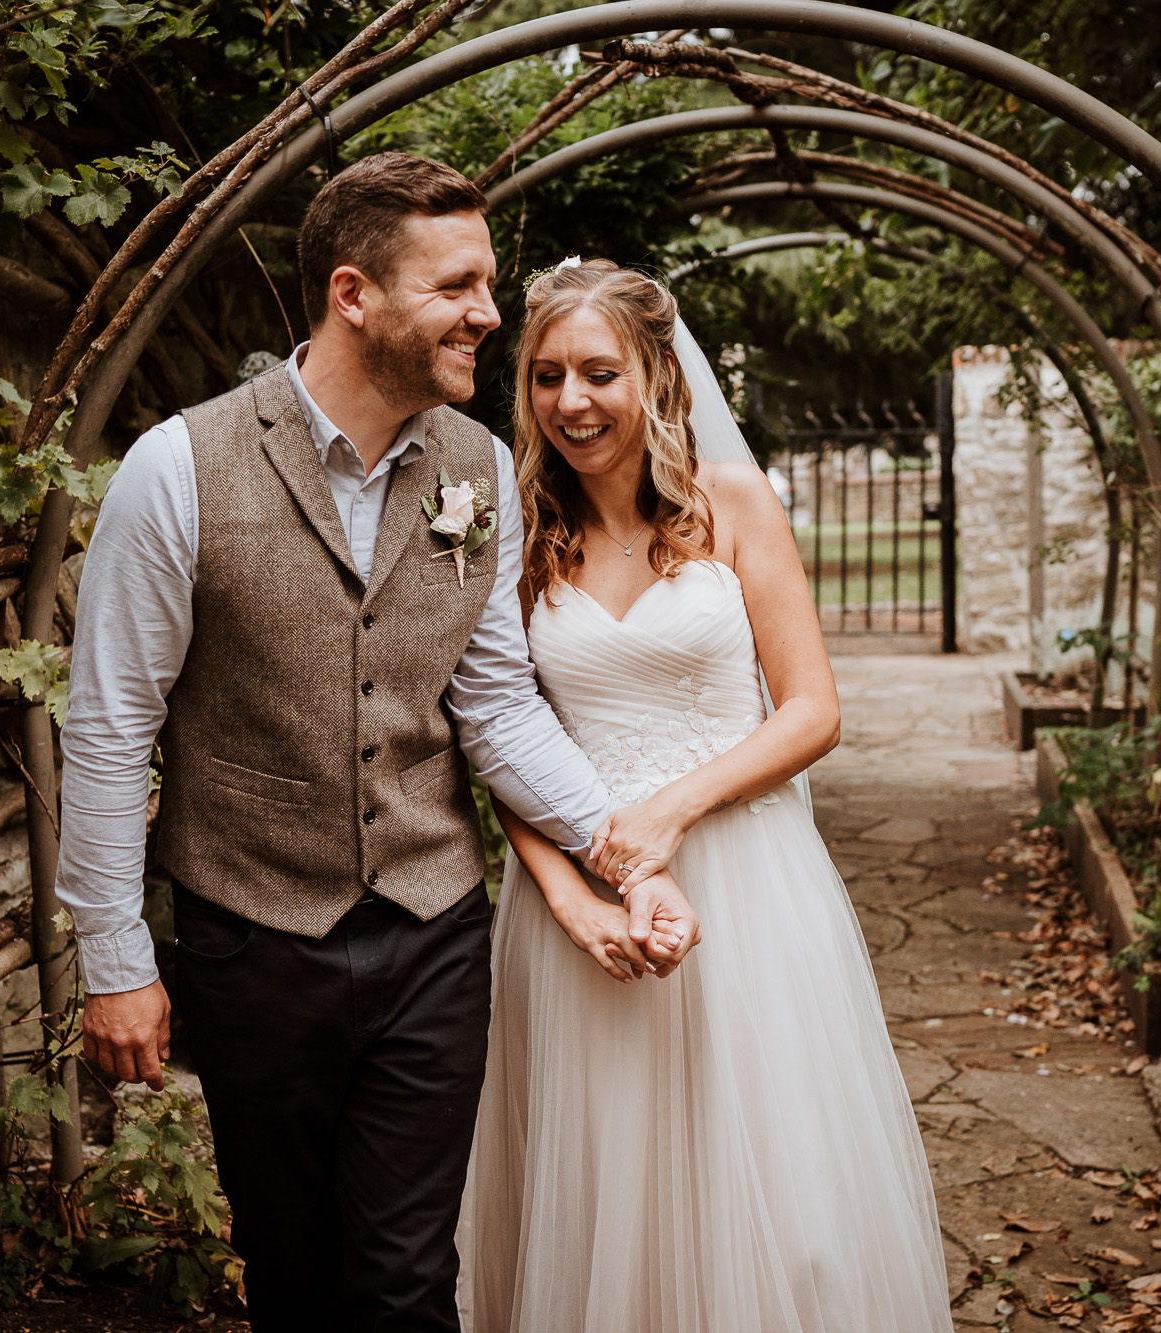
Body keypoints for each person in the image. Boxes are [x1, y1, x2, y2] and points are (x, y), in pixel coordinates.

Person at [54, 157, 700, 1333]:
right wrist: (114, 957)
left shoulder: (481, 472)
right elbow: (108, 727)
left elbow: (495, 707)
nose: (489, 315)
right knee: (293, 1278)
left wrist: (623, 852)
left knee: (407, 1283)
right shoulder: (175, 468)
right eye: (457, 286)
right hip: (250, 941)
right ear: (353, 295)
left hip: (431, 934)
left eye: (488, 282)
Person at [457, 259, 956, 1332]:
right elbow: (500, 735)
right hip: (576, 905)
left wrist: (668, 815)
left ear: (654, 375)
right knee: (593, 1182)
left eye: (599, 371)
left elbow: (810, 710)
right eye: (545, 376)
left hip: (745, 883)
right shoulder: (518, 532)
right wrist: (567, 895)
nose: (570, 401)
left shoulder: (728, 503)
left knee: (779, 1199)